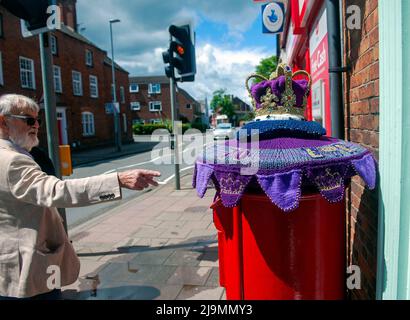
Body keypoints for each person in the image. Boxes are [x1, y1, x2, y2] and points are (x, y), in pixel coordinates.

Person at [0, 94, 161, 300]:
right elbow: (57, 191)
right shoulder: (12, 160)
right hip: (27, 266)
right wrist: (119, 180)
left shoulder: (18, 154)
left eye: (38, 120)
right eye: (29, 120)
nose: (36, 125)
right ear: (4, 121)